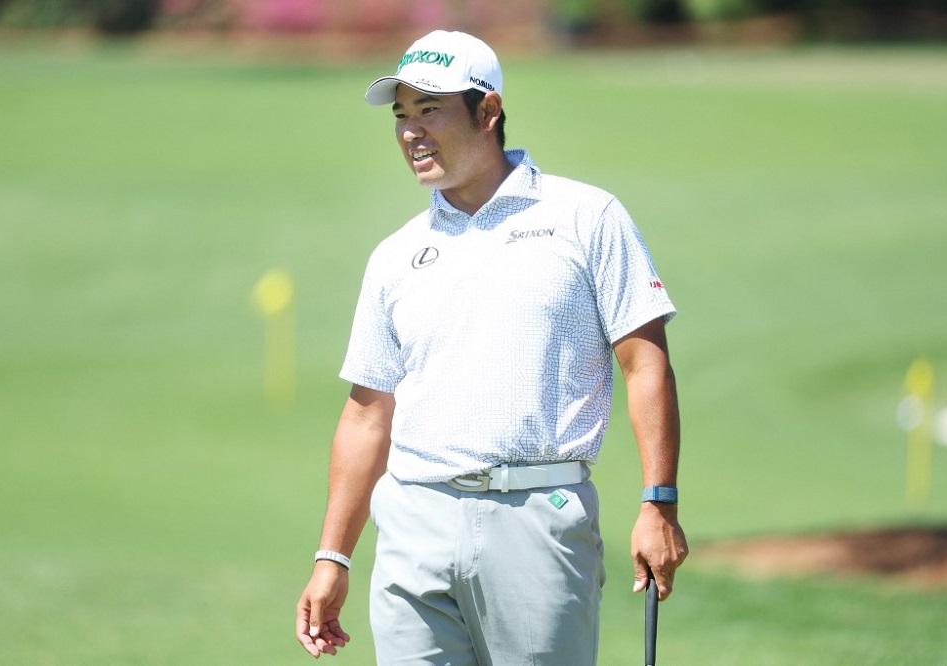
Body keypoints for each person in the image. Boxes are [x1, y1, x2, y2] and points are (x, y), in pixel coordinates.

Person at [295, 29, 688, 664]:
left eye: (430, 110)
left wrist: (658, 502)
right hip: (413, 522)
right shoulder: (395, 255)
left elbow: (645, 364)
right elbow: (367, 414)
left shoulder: (586, 217)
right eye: (401, 115)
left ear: (489, 112)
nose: (411, 132)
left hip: (536, 516)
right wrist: (332, 556)